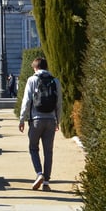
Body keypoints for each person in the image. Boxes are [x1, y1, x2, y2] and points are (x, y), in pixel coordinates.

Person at [18, 57, 63, 192]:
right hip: (50, 120)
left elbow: (26, 101)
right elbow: (59, 103)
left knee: (33, 148)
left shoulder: (32, 80)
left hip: (36, 120)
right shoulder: (55, 81)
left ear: (35, 68)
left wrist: (22, 119)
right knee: (48, 151)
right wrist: (58, 120)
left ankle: (39, 174)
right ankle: (46, 182)